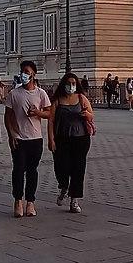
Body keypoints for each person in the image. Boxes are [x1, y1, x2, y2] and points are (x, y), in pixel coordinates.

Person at [5, 60, 50, 218]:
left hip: (36, 138)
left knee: (32, 171)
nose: (24, 74)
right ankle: (18, 200)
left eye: (27, 71)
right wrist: (11, 134)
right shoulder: (14, 94)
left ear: (33, 74)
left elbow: (49, 113)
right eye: (22, 71)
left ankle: (30, 201)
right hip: (19, 138)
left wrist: (38, 113)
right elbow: (8, 116)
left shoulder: (41, 93)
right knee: (18, 169)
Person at [49, 72, 94, 214]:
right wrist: (51, 139)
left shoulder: (81, 98)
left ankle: (74, 199)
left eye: (74, 83)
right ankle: (64, 186)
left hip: (80, 139)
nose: (71, 86)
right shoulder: (57, 100)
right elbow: (51, 121)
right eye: (68, 83)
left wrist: (86, 115)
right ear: (64, 84)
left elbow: (91, 115)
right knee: (61, 167)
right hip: (62, 139)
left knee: (78, 169)